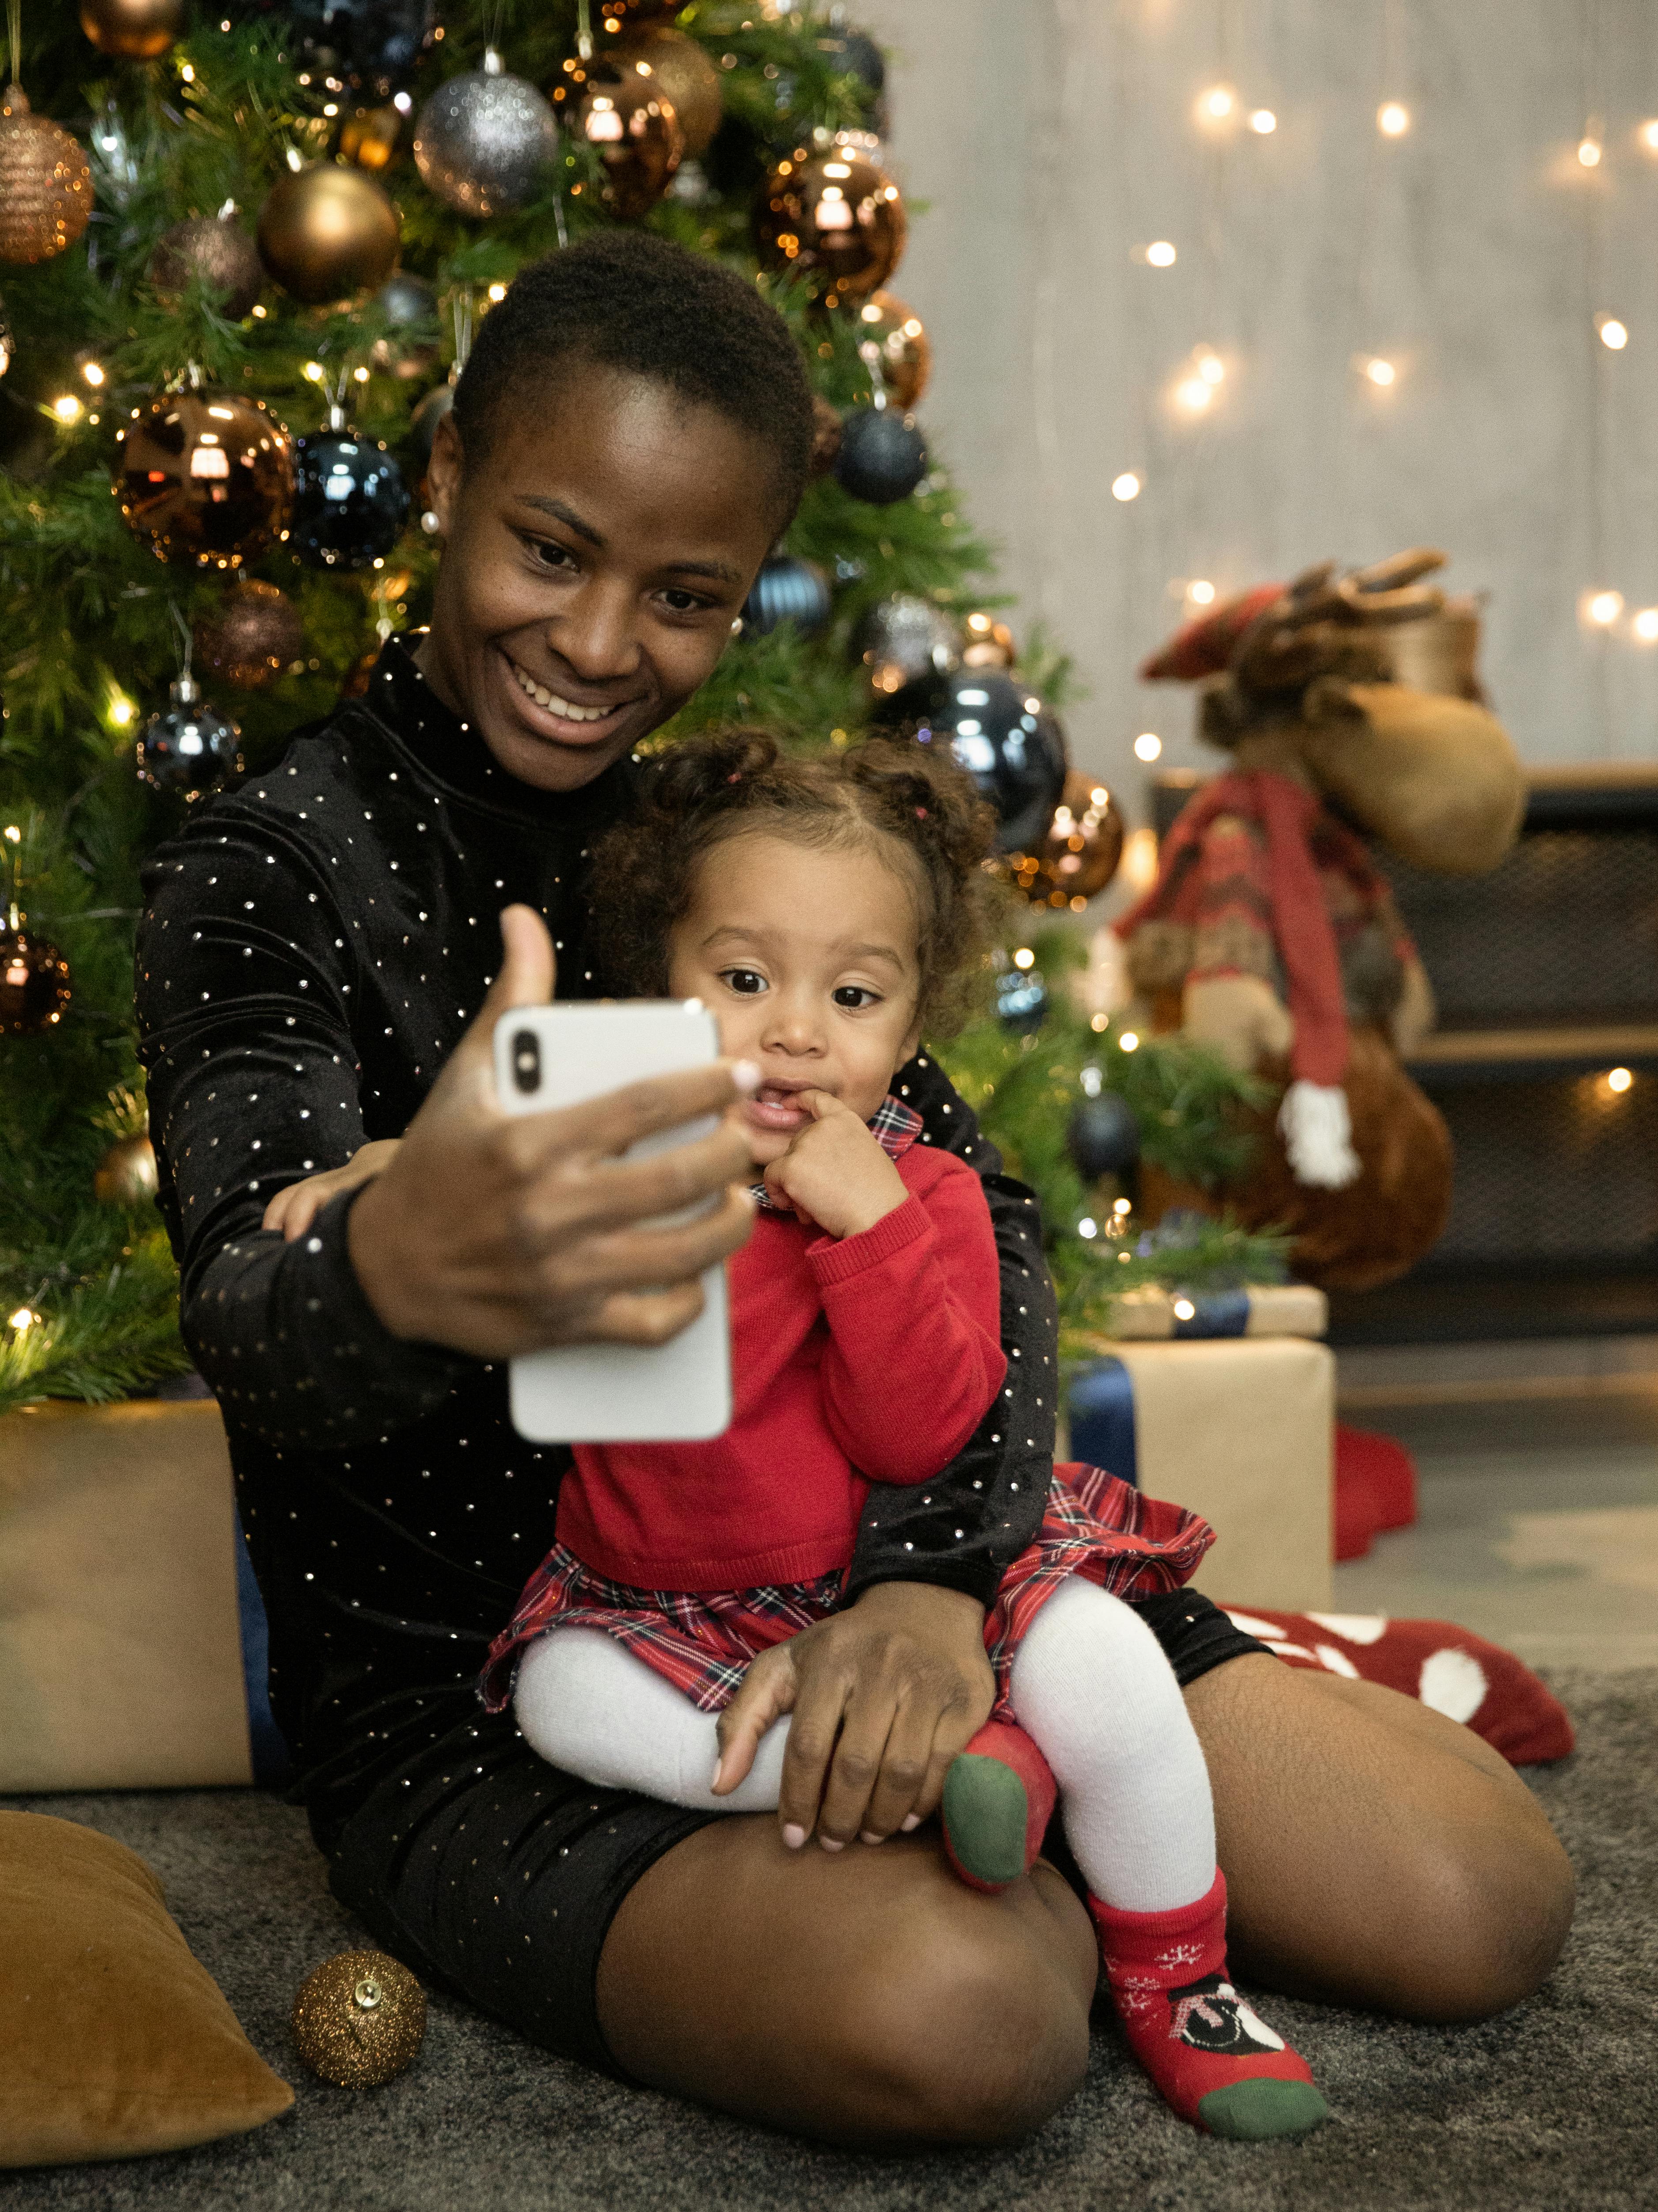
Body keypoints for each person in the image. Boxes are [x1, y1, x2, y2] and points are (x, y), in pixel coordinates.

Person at [136, 232, 1573, 2151]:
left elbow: (983, 1221)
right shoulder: (268, 867)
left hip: (889, 1549)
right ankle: (1018, 1846)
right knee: (970, 2019)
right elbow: (247, 1317)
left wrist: (931, 1590)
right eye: (548, 550)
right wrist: (399, 1262)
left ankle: (1030, 1771)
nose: (593, 642)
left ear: (743, 601)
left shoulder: (749, 834)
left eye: (683, 595)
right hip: (514, 1697)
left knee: (1478, 1897)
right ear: (445, 477)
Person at [270, 728, 1327, 2138]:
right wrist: (381, 1175)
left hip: (879, 1590)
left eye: (853, 993)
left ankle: (1178, 1975)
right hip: (666, 1609)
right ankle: (954, 1776)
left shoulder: (924, 1193)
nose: (794, 1029)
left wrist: (867, 1229)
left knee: (1115, 1676)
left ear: (909, 1023)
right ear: (666, 981)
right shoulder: (609, 1153)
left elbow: (926, 1431)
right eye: (744, 979)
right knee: (558, 1703)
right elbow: (471, 1189)